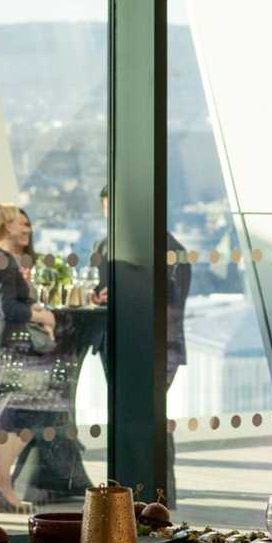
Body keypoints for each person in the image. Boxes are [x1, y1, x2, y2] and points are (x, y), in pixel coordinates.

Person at [91, 185, 192, 500]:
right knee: (128, 415)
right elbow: (101, 290)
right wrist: (100, 295)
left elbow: (172, 305)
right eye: (107, 209)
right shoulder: (105, 244)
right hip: (116, 342)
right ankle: (130, 489)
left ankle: (159, 491)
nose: (111, 216)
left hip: (158, 346)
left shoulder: (170, 248)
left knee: (150, 414)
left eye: (115, 209)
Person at [0, 203, 56, 512]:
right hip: (14, 344)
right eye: (18, 224)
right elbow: (11, 310)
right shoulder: (4, 261)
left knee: (6, 414)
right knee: (21, 414)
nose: (25, 228)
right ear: (6, 226)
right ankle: (3, 486)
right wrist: (42, 314)